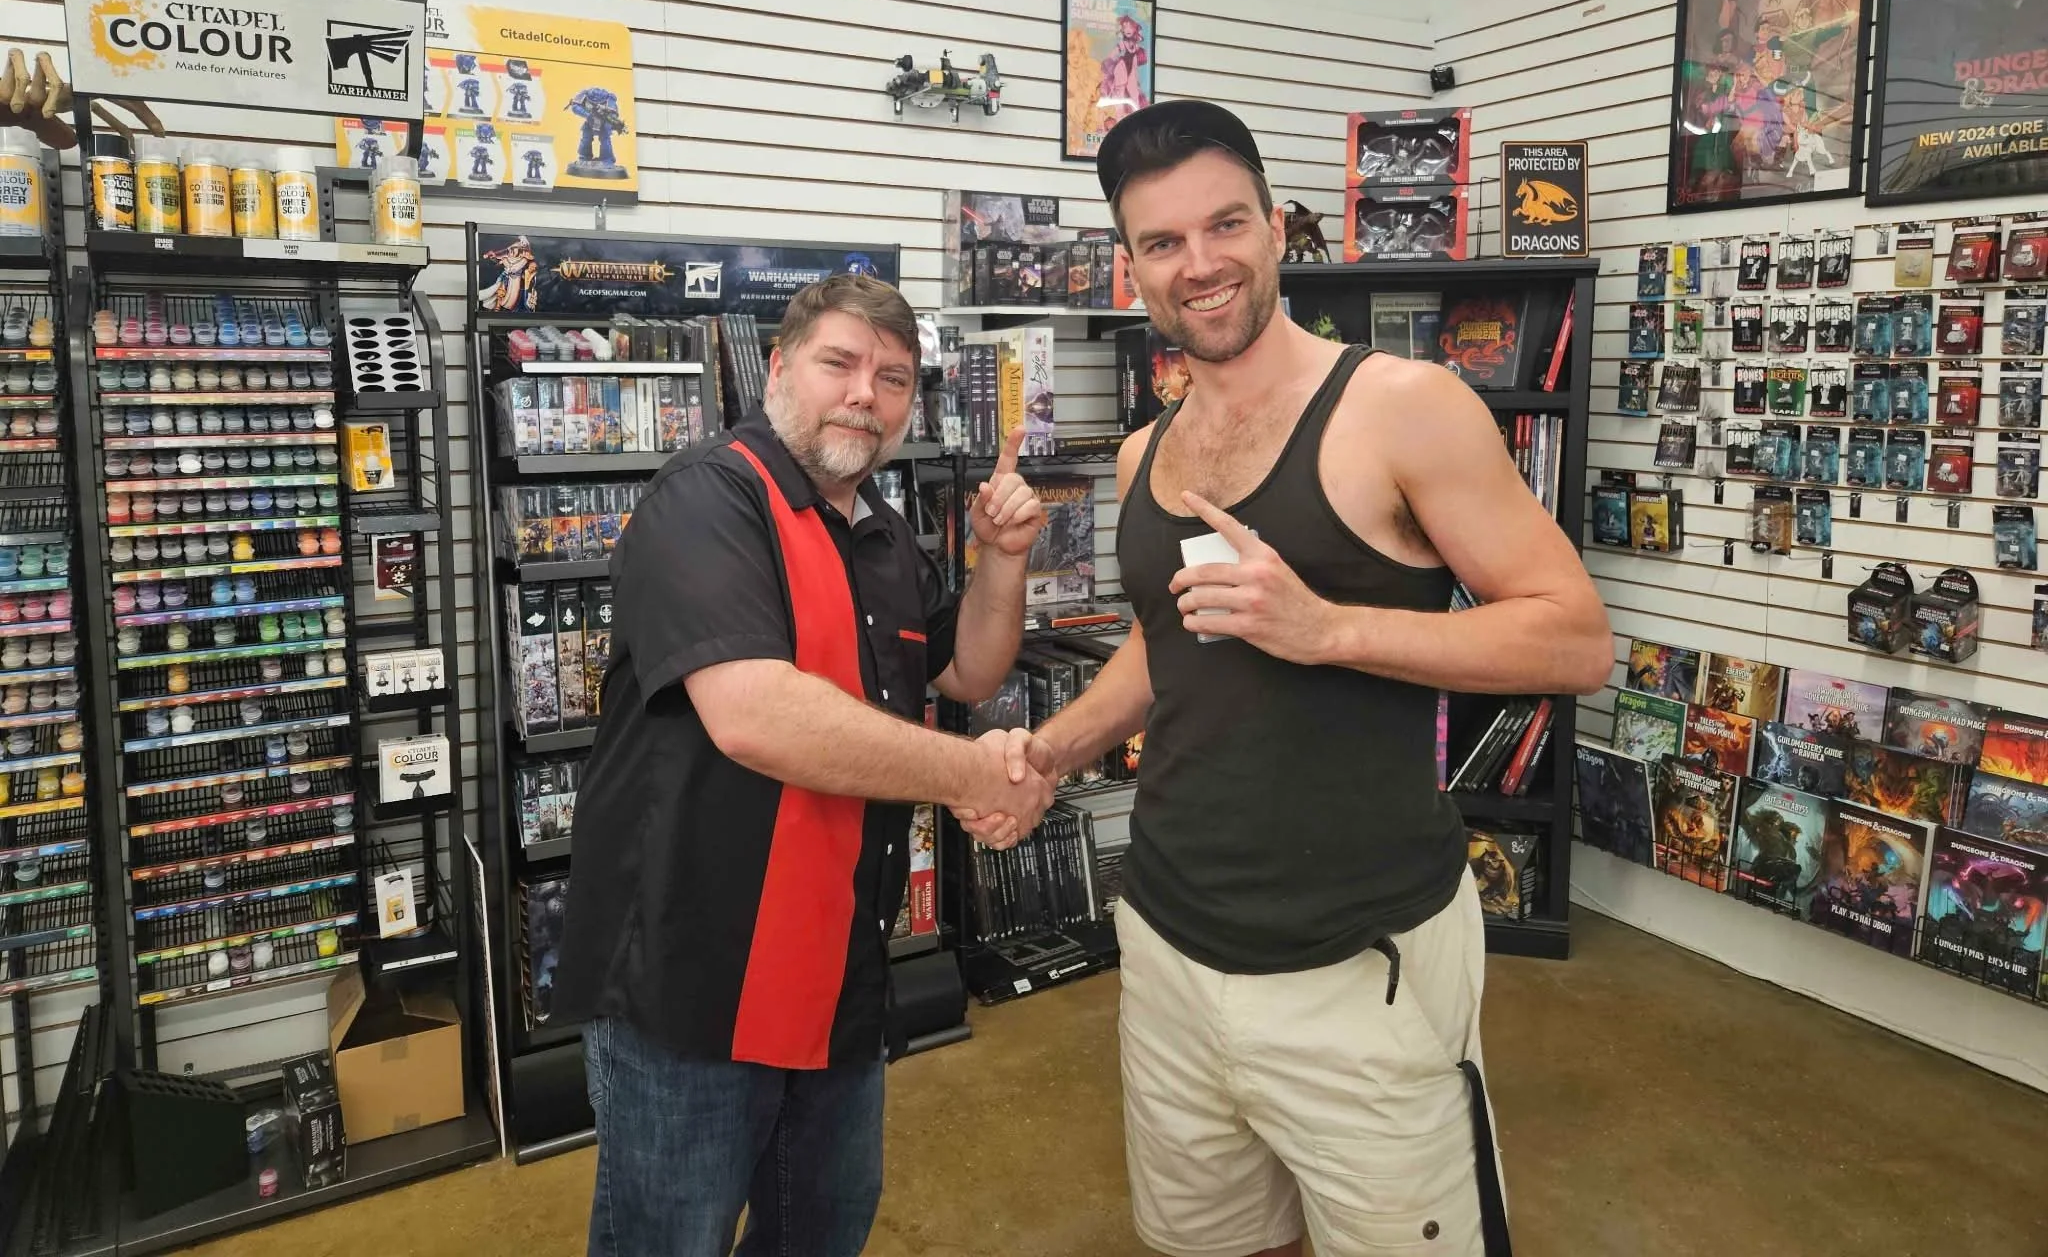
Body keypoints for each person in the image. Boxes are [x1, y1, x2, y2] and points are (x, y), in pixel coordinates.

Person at [964, 100, 1612, 1257]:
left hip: (1357, 959)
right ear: (1131, 267)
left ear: (1274, 228)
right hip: (1168, 938)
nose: (1198, 263)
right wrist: (1050, 754)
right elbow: (1169, 645)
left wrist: (1328, 629)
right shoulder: (1146, 450)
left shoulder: (1402, 408)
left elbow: (1571, 641)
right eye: (1162, 242)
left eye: (1224, 225)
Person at [555, 274, 1054, 1257]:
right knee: (670, 1240)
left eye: (893, 378)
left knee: (821, 1230)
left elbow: (967, 669)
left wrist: (1001, 558)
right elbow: (753, 714)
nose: (865, 394)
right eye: (840, 364)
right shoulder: (707, 499)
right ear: (779, 369)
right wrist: (968, 776)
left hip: (837, 972)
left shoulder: (881, 533)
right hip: (691, 985)